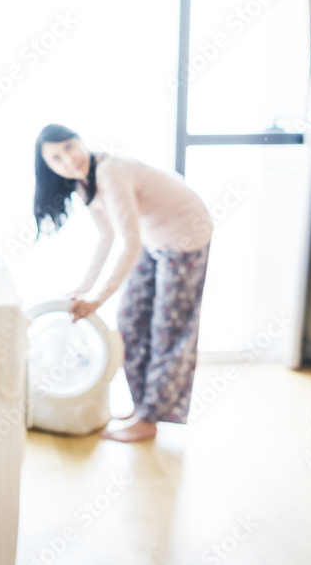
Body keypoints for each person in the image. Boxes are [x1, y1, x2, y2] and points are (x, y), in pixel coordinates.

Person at [33, 124, 212, 443]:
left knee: (167, 328)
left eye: (69, 147)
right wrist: (85, 289)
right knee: (129, 318)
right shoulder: (82, 183)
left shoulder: (110, 173)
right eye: (56, 158)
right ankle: (142, 406)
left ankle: (150, 419)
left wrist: (97, 300)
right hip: (153, 239)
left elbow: (128, 243)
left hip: (185, 235)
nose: (67, 159)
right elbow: (106, 236)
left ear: (80, 142)